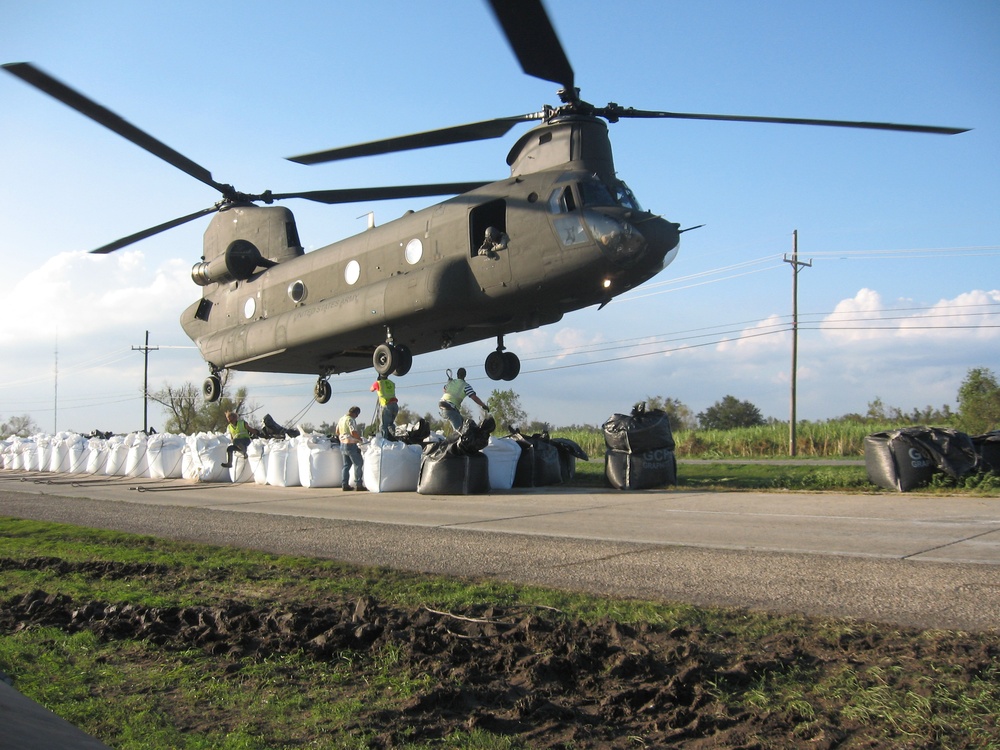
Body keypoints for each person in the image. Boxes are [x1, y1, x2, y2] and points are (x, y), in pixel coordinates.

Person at [336, 405, 365, 491]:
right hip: (351, 444)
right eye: (357, 414)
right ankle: (359, 485)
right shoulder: (350, 420)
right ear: (355, 413)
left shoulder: (341, 419)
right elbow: (353, 432)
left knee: (346, 466)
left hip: (342, 444)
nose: (357, 416)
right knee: (358, 463)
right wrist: (359, 439)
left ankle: (344, 484)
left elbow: (337, 431)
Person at [370, 374, 399, 440]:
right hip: (395, 406)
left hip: (387, 406)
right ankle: (393, 439)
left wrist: (377, 386)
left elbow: (371, 389)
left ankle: (384, 441)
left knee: (383, 425)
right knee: (390, 424)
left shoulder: (378, 383)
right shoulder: (391, 383)